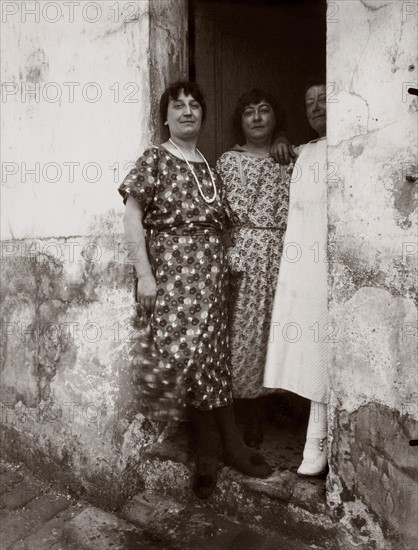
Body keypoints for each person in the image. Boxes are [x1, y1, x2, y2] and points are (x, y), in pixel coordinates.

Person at [118, 81, 272, 500]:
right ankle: (222, 445)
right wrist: (144, 275)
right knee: (182, 359)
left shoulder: (209, 165)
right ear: (165, 117)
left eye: (194, 106)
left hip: (213, 276)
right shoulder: (154, 159)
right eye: (178, 106)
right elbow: (133, 218)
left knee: (212, 359)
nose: (188, 112)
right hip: (174, 276)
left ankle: (212, 451)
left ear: (202, 115)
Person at [216, 89, 292, 448]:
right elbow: (217, 214)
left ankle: (277, 401)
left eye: (265, 111)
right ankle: (247, 411)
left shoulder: (290, 157)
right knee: (242, 334)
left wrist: (284, 143)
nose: (257, 118)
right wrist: (228, 252)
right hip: (243, 254)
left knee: (279, 331)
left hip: (285, 256)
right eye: (249, 113)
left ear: (276, 119)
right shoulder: (229, 161)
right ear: (241, 121)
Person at [264, 81, 329, 476]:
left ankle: (318, 439)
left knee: (325, 345)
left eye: (325, 99)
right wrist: (284, 140)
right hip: (304, 263)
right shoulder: (306, 151)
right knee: (307, 343)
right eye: (310, 103)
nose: (317, 107)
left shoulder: (353, 146)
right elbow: (286, 152)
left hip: (332, 264)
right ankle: (315, 435)